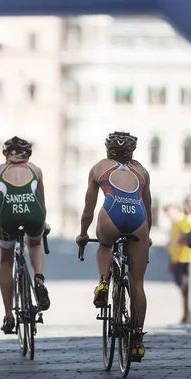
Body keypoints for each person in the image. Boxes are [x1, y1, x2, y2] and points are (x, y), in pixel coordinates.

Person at [76, 131, 152, 359]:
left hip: (111, 215)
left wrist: (82, 234)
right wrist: (147, 238)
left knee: (105, 245)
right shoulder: (142, 171)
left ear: (108, 150)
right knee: (137, 283)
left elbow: (88, 210)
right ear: (132, 152)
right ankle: (137, 339)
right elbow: (148, 210)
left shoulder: (100, 167)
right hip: (138, 220)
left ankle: (102, 282)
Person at [0, 136, 50, 334]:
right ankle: (39, 280)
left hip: (7, 218)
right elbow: (41, 202)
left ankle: (8, 314)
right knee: (34, 243)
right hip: (33, 215)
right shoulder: (36, 170)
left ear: (5, 154)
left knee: (6, 261)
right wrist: (43, 224)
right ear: (28, 154)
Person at [164, 203, 191, 323]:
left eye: (171, 213)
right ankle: (186, 312)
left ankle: (187, 313)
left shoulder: (184, 222)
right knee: (182, 288)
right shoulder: (174, 225)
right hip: (177, 259)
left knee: (185, 288)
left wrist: (183, 238)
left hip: (185, 258)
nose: (169, 216)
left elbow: (187, 237)